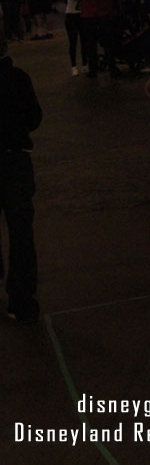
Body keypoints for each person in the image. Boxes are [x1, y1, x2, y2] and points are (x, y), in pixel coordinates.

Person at [0, 31, 42, 323]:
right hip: (14, 158)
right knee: (21, 232)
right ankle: (22, 300)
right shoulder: (18, 78)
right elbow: (34, 118)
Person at [76, 0, 122, 78]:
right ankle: (112, 67)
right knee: (109, 42)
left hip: (89, 13)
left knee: (91, 43)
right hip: (106, 11)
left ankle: (93, 69)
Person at [60, 0, 87, 76]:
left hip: (79, 14)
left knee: (84, 41)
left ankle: (84, 64)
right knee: (73, 41)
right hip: (72, 14)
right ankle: (74, 65)